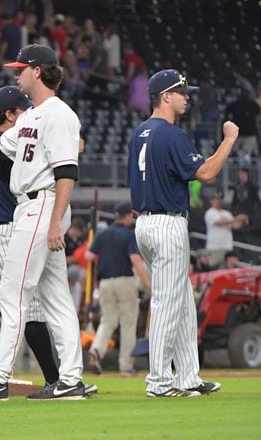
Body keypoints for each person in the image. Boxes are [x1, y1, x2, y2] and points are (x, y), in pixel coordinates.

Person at [0, 44, 86, 401]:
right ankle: (70, 380)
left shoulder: (58, 114)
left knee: (13, 291)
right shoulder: (31, 116)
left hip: (42, 205)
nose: (16, 74)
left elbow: (67, 173)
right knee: (55, 299)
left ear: (37, 71)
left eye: (21, 68)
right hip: (32, 207)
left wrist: (57, 221)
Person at [127, 68, 237, 397]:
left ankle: (187, 376)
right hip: (166, 223)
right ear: (165, 97)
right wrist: (229, 139)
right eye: (182, 92)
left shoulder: (140, 133)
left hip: (145, 222)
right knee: (166, 302)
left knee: (182, 300)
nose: (187, 97)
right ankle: (159, 380)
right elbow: (205, 172)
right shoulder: (170, 134)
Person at [85, 202, 151, 376]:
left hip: (105, 283)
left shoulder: (102, 234)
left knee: (108, 321)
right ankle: (126, 366)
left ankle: (97, 349)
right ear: (128, 215)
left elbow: (89, 256)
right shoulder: (129, 235)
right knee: (128, 323)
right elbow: (136, 260)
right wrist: (148, 283)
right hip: (124, 281)